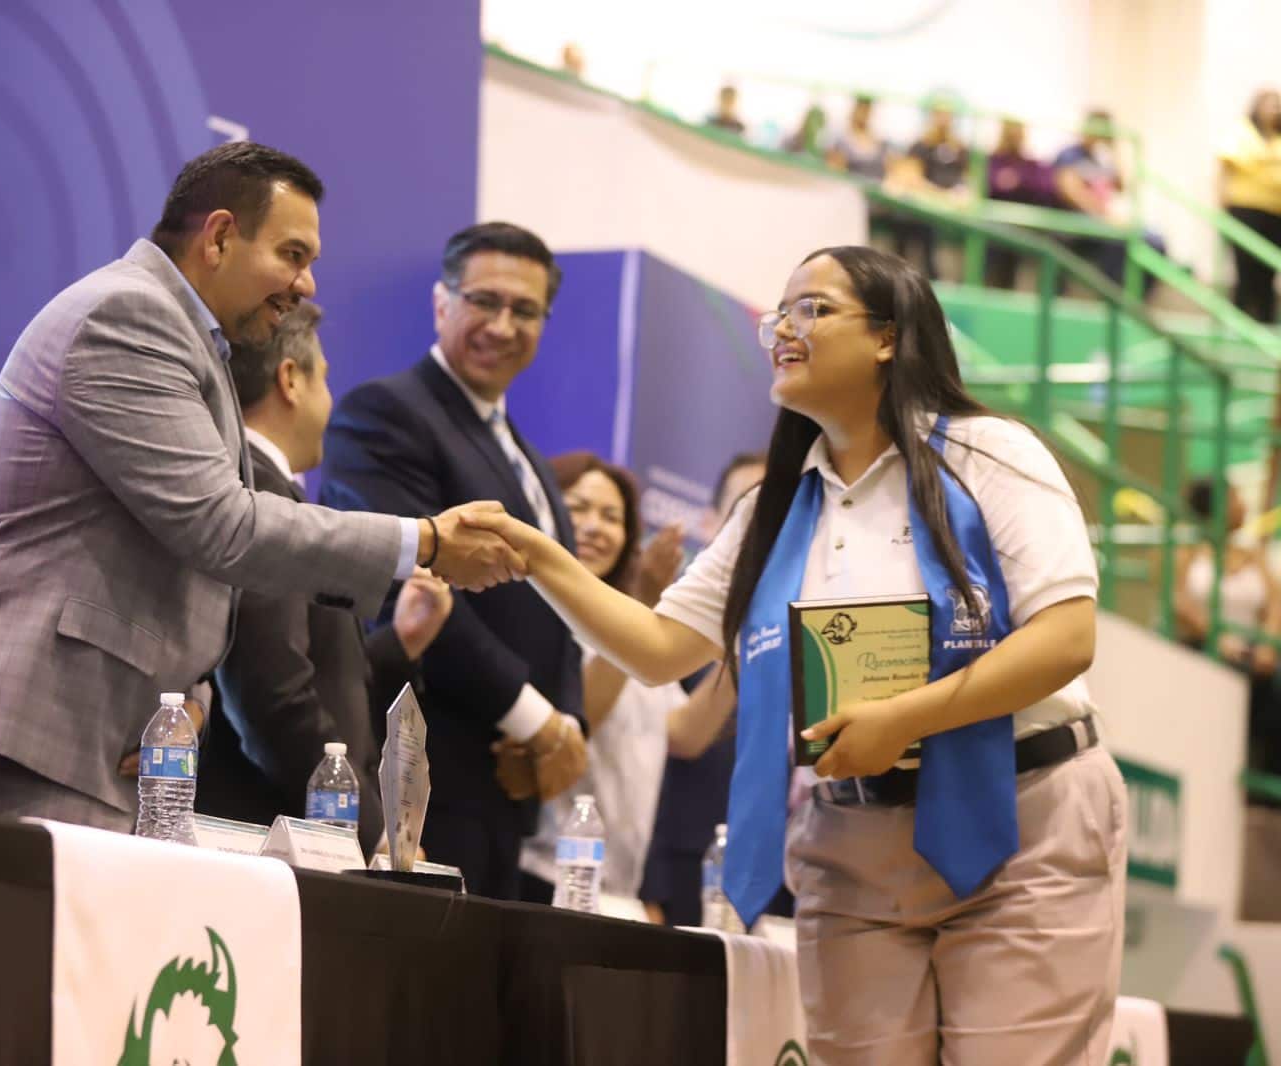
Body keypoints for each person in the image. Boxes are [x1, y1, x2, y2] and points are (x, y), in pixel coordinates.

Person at [463, 245, 1126, 1064]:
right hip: (853, 837)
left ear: (888, 336)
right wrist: (540, 557)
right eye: (781, 313)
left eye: (813, 308)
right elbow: (660, 649)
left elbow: (1065, 636)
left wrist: (903, 718)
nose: (785, 328)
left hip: (1023, 815)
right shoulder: (772, 508)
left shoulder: (989, 454)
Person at [0, 144, 523, 831]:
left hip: (105, 747)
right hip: (37, 738)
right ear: (217, 237)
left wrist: (191, 687)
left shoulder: (186, 340)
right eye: (293, 255)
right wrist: (421, 541)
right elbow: (223, 527)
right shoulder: (128, 316)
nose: (305, 285)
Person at [319, 222, 589, 900]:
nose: (503, 324)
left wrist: (566, 731)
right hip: (426, 781)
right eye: (484, 301)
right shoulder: (384, 416)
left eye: (524, 310)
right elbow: (412, 592)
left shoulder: (527, 456)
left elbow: (562, 608)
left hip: (510, 794)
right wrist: (538, 723)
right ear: (442, 303)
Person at [194, 301, 454, 855]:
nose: (331, 402)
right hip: (271, 849)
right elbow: (272, 692)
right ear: (291, 379)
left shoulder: (261, 491)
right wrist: (372, 829)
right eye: (326, 380)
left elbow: (315, 674)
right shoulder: (259, 496)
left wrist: (397, 644)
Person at [513, 453, 737, 906]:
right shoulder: (527, 614)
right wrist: (645, 599)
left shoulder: (635, 629)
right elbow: (577, 723)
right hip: (541, 876)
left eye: (611, 516)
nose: (595, 526)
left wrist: (743, 629)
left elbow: (686, 734)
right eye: (578, 508)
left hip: (615, 890)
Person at [640, 452, 767, 926]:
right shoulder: (675, 610)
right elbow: (676, 737)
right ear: (712, 522)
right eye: (746, 510)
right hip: (685, 863)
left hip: (789, 865)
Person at [1175, 477, 1281, 778]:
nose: (1244, 505)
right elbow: (1179, 604)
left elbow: (1276, 604)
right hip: (1201, 649)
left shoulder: (1254, 556)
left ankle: (1265, 789)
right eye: (1236, 498)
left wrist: (1268, 646)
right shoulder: (1186, 554)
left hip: (1252, 654)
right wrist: (1216, 638)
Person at [1053, 109, 1168, 294]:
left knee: (1155, 241)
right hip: (1077, 220)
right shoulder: (1070, 155)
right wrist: (1104, 217)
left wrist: (1113, 151)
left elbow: (1122, 186)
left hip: (1104, 220)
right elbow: (1071, 193)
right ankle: (1111, 295)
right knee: (1118, 241)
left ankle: (1134, 297)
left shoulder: (1103, 158)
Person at [1218, 89, 1281, 323]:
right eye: (1270, 104)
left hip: (1275, 214)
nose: (1275, 109)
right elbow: (1225, 170)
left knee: (1268, 271)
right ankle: (1237, 320)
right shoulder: (1242, 132)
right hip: (1245, 210)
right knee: (1246, 268)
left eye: (1278, 104)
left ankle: (1265, 321)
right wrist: (1222, 206)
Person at [890, 100, 971, 279]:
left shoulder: (961, 149)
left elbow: (966, 182)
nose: (944, 119)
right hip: (919, 211)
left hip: (948, 213)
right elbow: (910, 177)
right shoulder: (920, 146)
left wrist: (956, 195)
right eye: (939, 114)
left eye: (948, 115)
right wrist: (940, 195)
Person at [984, 118, 1060, 289]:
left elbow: (1045, 188)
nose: (1014, 137)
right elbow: (990, 184)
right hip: (994, 225)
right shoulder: (992, 161)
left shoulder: (1031, 165)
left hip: (1023, 227)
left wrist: (1017, 181)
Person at [825, 95, 889, 182]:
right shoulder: (840, 140)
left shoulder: (880, 143)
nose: (863, 114)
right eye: (861, 108)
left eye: (867, 109)